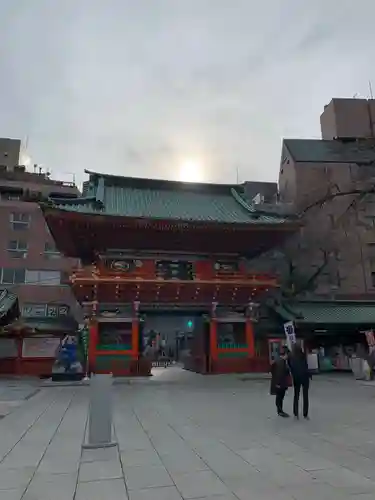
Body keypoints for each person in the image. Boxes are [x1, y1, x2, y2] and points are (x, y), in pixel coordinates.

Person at [289, 343, 311, 419]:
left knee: (296, 395)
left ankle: (295, 413)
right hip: (305, 378)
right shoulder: (303, 355)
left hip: (296, 378)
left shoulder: (291, 357)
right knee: (305, 396)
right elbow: (306, 366)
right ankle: (305, 414)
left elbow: (291, 368)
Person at [270, 346, 291, 417]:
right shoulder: (281, 362)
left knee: (279, 397)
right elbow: (280, 374)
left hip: (279, 383)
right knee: (280, 397)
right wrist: (278, 384)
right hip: (280, 383)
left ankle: (279, 410)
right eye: (288, 355)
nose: (288, 356)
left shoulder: (279, 360)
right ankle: (280, 411)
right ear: (285, 354)